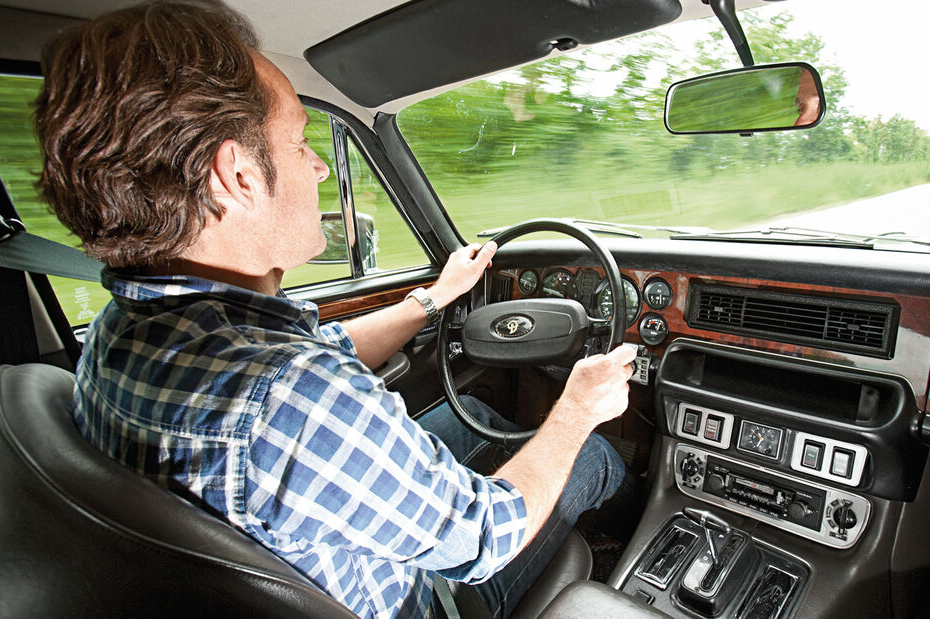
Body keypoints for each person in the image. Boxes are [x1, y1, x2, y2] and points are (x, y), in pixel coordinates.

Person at [33, 2, 635, 618]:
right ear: (235, 176)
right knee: (592, 456)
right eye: (299, 142)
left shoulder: (127, 327)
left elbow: (327, 350)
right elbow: (483, 538)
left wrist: (433, 299)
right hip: (417, 601)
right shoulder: (287, 395)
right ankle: (625, 542)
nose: (319, 165)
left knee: (478, 412)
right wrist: (577, 411)